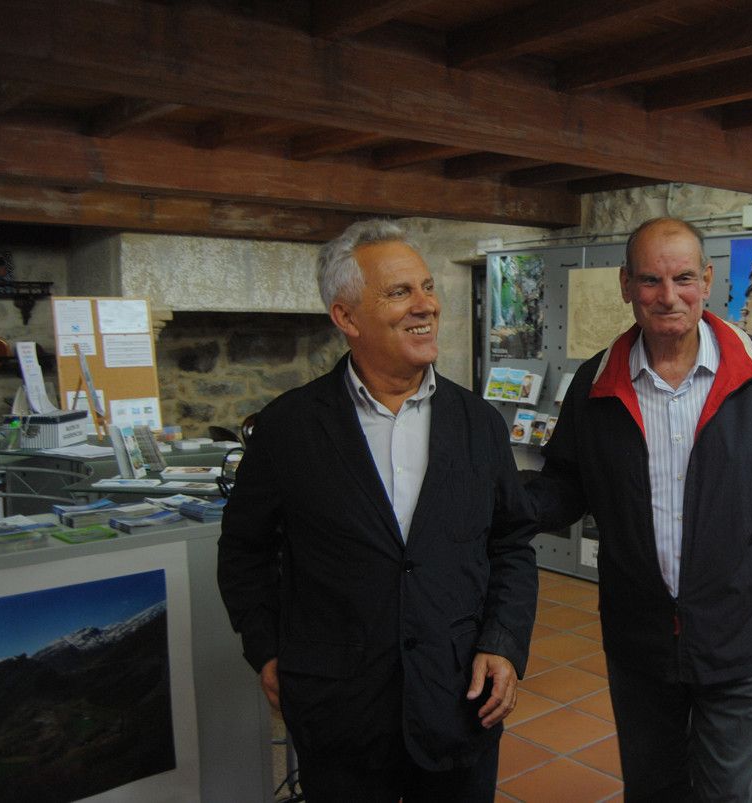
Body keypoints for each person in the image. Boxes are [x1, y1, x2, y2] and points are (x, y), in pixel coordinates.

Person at [217, 219, 537, 802]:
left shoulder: (479, 424)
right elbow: (244, 549)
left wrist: (505, 642)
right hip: (340, 712)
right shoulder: (289, 428)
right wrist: (264, 647)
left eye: (427, 287)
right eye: (399, 293)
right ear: (346, 317)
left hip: (457, 701)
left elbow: (511, 544)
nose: (426, 306)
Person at [527, 217, 752, 802]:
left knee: (730, 792)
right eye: (650, 280)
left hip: (742, 633)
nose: (669, 296)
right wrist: (498, 494)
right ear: (625, 286)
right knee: (653, 788)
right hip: (639, 640)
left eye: (684, 278)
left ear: (709, 280)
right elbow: (566, 483)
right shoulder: (596, 383)